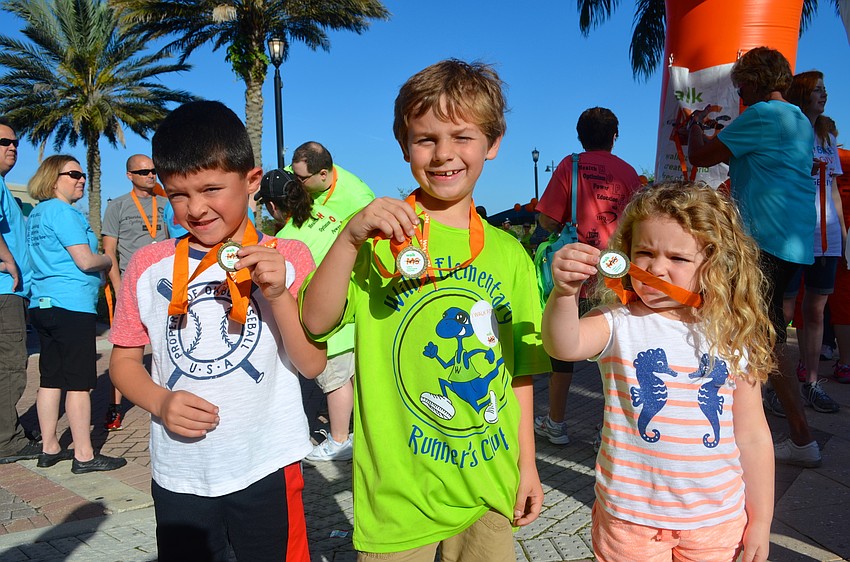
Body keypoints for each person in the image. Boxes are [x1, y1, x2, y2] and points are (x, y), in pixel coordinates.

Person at [300, 59, 549, 559]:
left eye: (462, 137)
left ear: (493, 144)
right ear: (404, 145)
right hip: (397, 494)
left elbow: (519, 372)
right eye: (425, 139)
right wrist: (350, 237)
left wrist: (528, 465)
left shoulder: (509, 254)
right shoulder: (376, 235)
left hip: (486, 487)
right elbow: (315, 320)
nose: (444, 155)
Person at [108, 101, 325, 562]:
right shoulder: (148, 266)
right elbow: (123, 362)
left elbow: (311, 363)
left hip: (267, 462)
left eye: (211, 188)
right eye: (179, 194)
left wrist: (280, 292)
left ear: (251, 180)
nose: (196, 208)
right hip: (180, 471)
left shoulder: (289, 256)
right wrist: (160, 402)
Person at [543, 182, 774, 562]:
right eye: (644, 252)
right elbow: (563, 345)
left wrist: (761, 521)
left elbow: (752, 436)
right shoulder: (616, 322)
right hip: (630, 519)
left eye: (678, 259)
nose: (656, 268)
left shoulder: (733, 332)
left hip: (715, 519)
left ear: (715, 265)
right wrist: (564, 294)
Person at [687, 46, 821, 468]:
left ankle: (801, 438)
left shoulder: (762, 115)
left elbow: (701, 156)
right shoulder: (799, 118)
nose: (739, 90)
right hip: (795, 239)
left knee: (766, 334)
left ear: (757, 79)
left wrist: (693, 126)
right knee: (765, 326)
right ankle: (757, 417)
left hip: (765, 237)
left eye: (742, 81)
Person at [533, 107, 641, 445]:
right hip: (616, 275)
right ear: (614, 136)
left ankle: (556, 423)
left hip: (575, 272)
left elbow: (548, 220)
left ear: (581, 136)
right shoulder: (630, 173)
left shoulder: (570, 165)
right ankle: (607, 431)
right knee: (612, 352)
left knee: (561, 352)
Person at [258, 160, 374, 462]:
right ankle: (359, 434)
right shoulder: (330, 215)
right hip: (354, 311)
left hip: (327, 326)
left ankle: (339, 440)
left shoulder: (283, 242)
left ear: (272, 206)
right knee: (354, 380)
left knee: (334, 384)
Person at [25, 155, 127, 473]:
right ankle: (84, 454)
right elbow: (84, 260)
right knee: (80, 383)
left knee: (50, 379)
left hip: (42, 303)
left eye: (82, 174)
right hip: (71, 305)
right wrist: (107, 261)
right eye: (73, 174)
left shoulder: (37, 215)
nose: (81, 179)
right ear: (53, 179)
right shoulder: (63, 212)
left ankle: (49, 447)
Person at [781, 71, 844, 413]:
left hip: (826, 234)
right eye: (817, 90)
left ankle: (811, 382)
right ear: (802, 93)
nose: (824, 95)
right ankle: (779, 384)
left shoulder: (827, 137)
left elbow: (833, 187)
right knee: (786, 308)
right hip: (794, 231)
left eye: (825, 89)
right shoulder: (789, 130)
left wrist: (843, 236)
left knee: (817, 309)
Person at [101, 154, 170, 431]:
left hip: (165, 285)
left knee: (167, 344)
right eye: (143, 172)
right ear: (130, 175)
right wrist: (118, 287)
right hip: (132, 285)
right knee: (126, 349)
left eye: (154, 170)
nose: (150, 176)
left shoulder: (166, 204)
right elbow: (109, 251)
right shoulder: (117, 206)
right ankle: (115, 406)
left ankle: (167, 397)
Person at [0, 117, 41, 465]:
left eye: (14, 142)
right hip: (5, 292)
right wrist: (8, 260)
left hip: (10, 292)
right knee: (11, 366)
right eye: (3, 142)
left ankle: (8, 429)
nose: (11, 147)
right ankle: (7, 441)